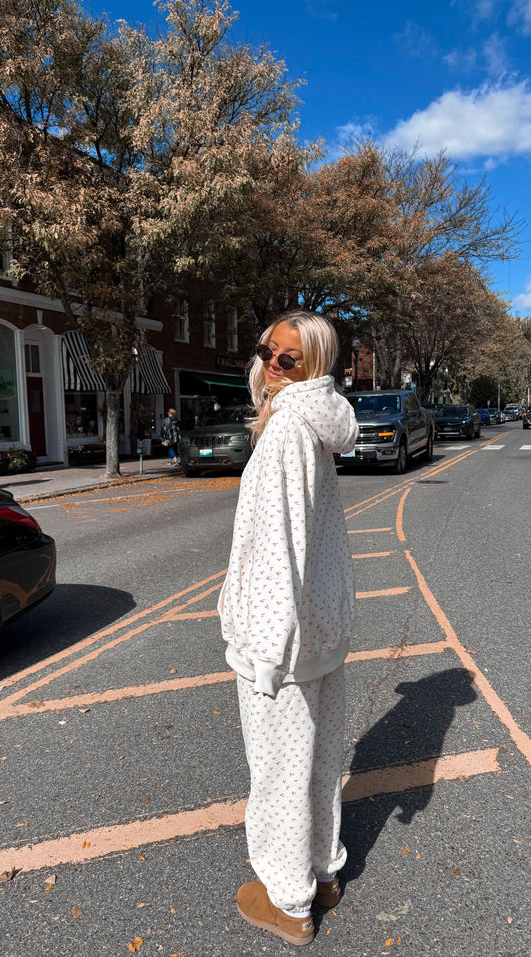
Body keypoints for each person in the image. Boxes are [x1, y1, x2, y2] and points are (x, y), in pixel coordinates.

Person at [218, 310, 358, 947]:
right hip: (322, 630)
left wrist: (267, 653)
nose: (270, 364)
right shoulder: (319, 424)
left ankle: (288, 900)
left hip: (284, 641)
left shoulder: (285, 434)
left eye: (288, 358)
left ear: (315, 367)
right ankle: (324, 872)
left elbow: (278, 546)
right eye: (268, 351)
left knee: (278, 771)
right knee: (321, 762)